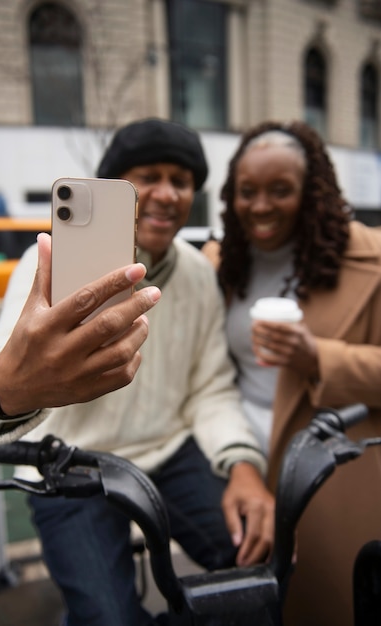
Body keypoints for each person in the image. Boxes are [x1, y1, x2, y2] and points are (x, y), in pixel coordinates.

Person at [0, 118, 275, 626]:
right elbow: (4, 365)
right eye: (147, 176)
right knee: (106, 616)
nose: (166, 192)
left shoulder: (199, 274)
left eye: (180, 180)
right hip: (69, 461)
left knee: (252, 570)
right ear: (116, 187)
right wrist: (7, 392)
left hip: (170, 450)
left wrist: (242, 464)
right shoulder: (47, 262)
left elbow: (211, 388)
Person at [202, 120, 381, 626]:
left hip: (328, 464)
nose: (261, 206)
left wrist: (320, 357)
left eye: (280, 190)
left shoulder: (370, 259)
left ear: (312, 191)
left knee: (328, 603)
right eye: (248, 191)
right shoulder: (220, 262)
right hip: (239, 463)